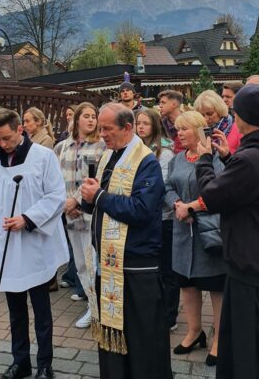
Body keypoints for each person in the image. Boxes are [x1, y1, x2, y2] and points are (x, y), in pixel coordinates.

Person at [191, 84, 259, 379]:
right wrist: (229, 159)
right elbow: (256, 188)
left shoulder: (251, 158)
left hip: (250, 267)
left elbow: (211, 197)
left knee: (253, 354)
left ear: (242, 116)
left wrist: (204, 160)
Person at [80, 103, 172, 379]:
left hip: (136, 265)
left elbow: (142, 210)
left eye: (107, 129)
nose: (102, 134)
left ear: (127, 127)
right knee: (113, 338)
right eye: (101, 128)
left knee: (142, 339)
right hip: (109, 263)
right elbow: (102, 202)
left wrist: (99, 197)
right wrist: (87, 199)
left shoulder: (146, 162)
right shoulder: (109, 155)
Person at [0, 108, 68, 379]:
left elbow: (56, 195)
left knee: (41, 311)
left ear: (20, 130)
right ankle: (21, 362)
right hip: (5, 243)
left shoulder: (43, 156)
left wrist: (27, 219)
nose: (2, 144)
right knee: (16, 310)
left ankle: (45, 364)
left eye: (6, 138)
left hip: (33, 242)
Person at [168, 110, 226, 366]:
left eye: (185, 129)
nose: (179, 133)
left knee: (215, 287)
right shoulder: (177, 159)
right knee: (187, 284)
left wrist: (192, 207)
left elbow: (219, 191)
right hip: (183, 232)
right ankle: (194, 331)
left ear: (199, 131)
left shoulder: (214, 158)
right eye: (178, 129)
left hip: (208, 232)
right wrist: (177, 204)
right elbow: (168, 186)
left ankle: (219, 338)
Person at [56, 101, 106, 329]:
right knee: (80, 264)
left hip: (90, 214)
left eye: (94, 116)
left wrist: (76, 200)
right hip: (70, 215)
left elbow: (97, 178)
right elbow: (56, 178)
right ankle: (92, 305)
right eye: (86, 116)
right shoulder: (63, 147)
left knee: (93, 262)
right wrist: (65, 204)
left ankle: (97, 308)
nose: (91, 120)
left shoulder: (100, 146)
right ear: (76, 119)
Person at [136, 107, 179, 331]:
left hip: (164, 218)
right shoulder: (135, 149)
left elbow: (160, 186)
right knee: (153, 269)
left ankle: (169, 315)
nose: (141, 127)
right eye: (138, 123)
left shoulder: (164, 151)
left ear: (155, 125)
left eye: (145, 123)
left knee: (167, 269)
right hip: (146, 218)